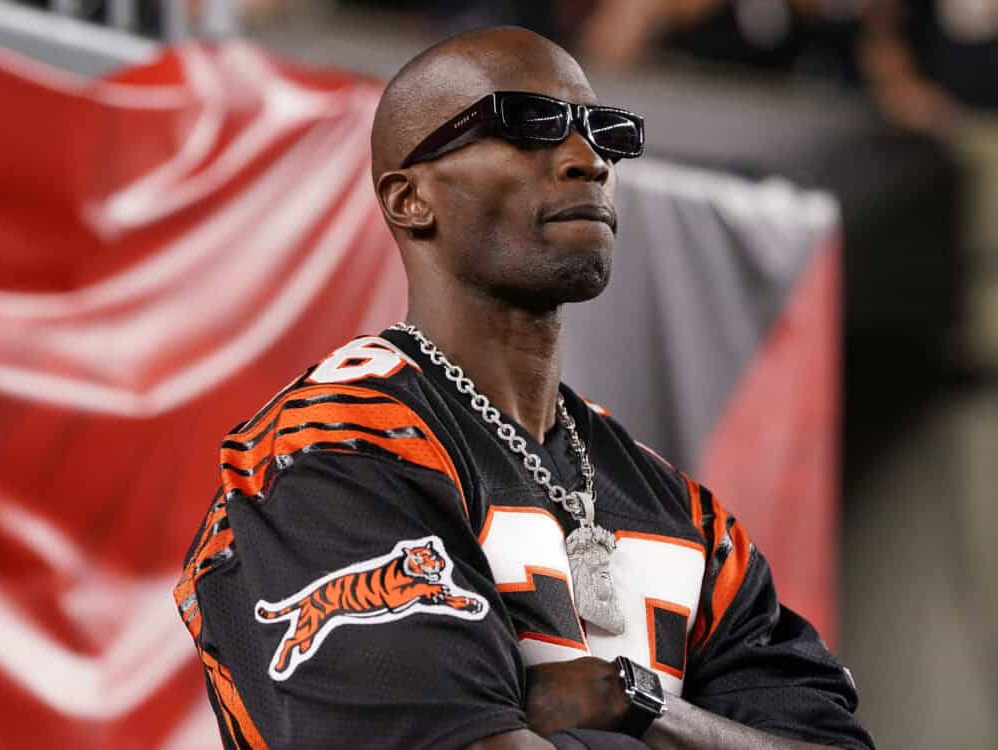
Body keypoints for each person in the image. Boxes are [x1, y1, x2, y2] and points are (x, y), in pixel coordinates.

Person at [174, 25, 874, 750]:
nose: (586, 161)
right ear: (410, 199)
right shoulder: (332, 446)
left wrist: (640, 704)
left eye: (606, 133)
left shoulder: (685, 513)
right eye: (528, 126)